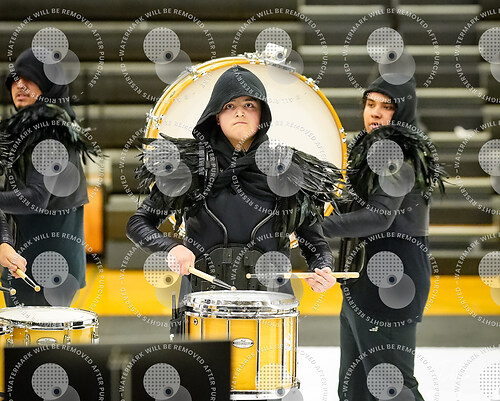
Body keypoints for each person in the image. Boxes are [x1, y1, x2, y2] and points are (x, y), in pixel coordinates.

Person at [127, 65, 338, 301]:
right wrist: (171, 247)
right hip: (202, 302)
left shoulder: (287, 169)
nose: (240, 113)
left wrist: (322, 268)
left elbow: (314, 243)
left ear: (262, 115)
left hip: (271, 304)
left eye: (249, 105)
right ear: (216, 116)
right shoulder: (190, 166)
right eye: (229, 106)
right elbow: (138, 222)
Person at [323, 74, 446, 401]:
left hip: (393, 284)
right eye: (370, 103)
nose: (375, 112)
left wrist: (317, 227)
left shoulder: (400, 153)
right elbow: (353, 206)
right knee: (353, 388)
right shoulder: (368, 150)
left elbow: (379, 216)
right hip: (361, 281)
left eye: (387, 106)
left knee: (392, 387)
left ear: (403, 111)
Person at [0, 48, 96, 306]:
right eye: (15, 80)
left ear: (49, 84)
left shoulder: (53, 132)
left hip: (49, 270)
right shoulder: (25, 128)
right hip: (23, 262)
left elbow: (36, 197)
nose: (20, 86)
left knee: (35, 334)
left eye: (29, 79)